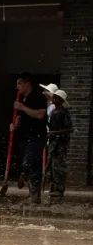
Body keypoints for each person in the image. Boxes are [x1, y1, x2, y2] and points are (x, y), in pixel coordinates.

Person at [11, 72, 48, 203]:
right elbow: (21, 119)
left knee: (28, 163)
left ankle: (24, 176)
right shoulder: (22, 99)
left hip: (36, 136)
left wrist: (22, 107)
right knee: (34, 166)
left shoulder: (38, 97)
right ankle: (34, 195)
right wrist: (15, 125)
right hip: (24, 137)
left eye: (19, 84)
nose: (17, 87)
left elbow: (40, 115)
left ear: (27, 84)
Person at [46, 88, 73, 200]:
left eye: (57, 98)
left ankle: (59, 189)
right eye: (54, 97)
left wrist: (54, 133)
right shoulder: (54, 112)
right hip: (53, 142)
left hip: (60, 143)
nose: (54, 99)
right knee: (52, 165)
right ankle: (53, 186)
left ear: (61, 100)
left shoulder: (64, 113)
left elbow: (69, 129)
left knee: (59, 166)